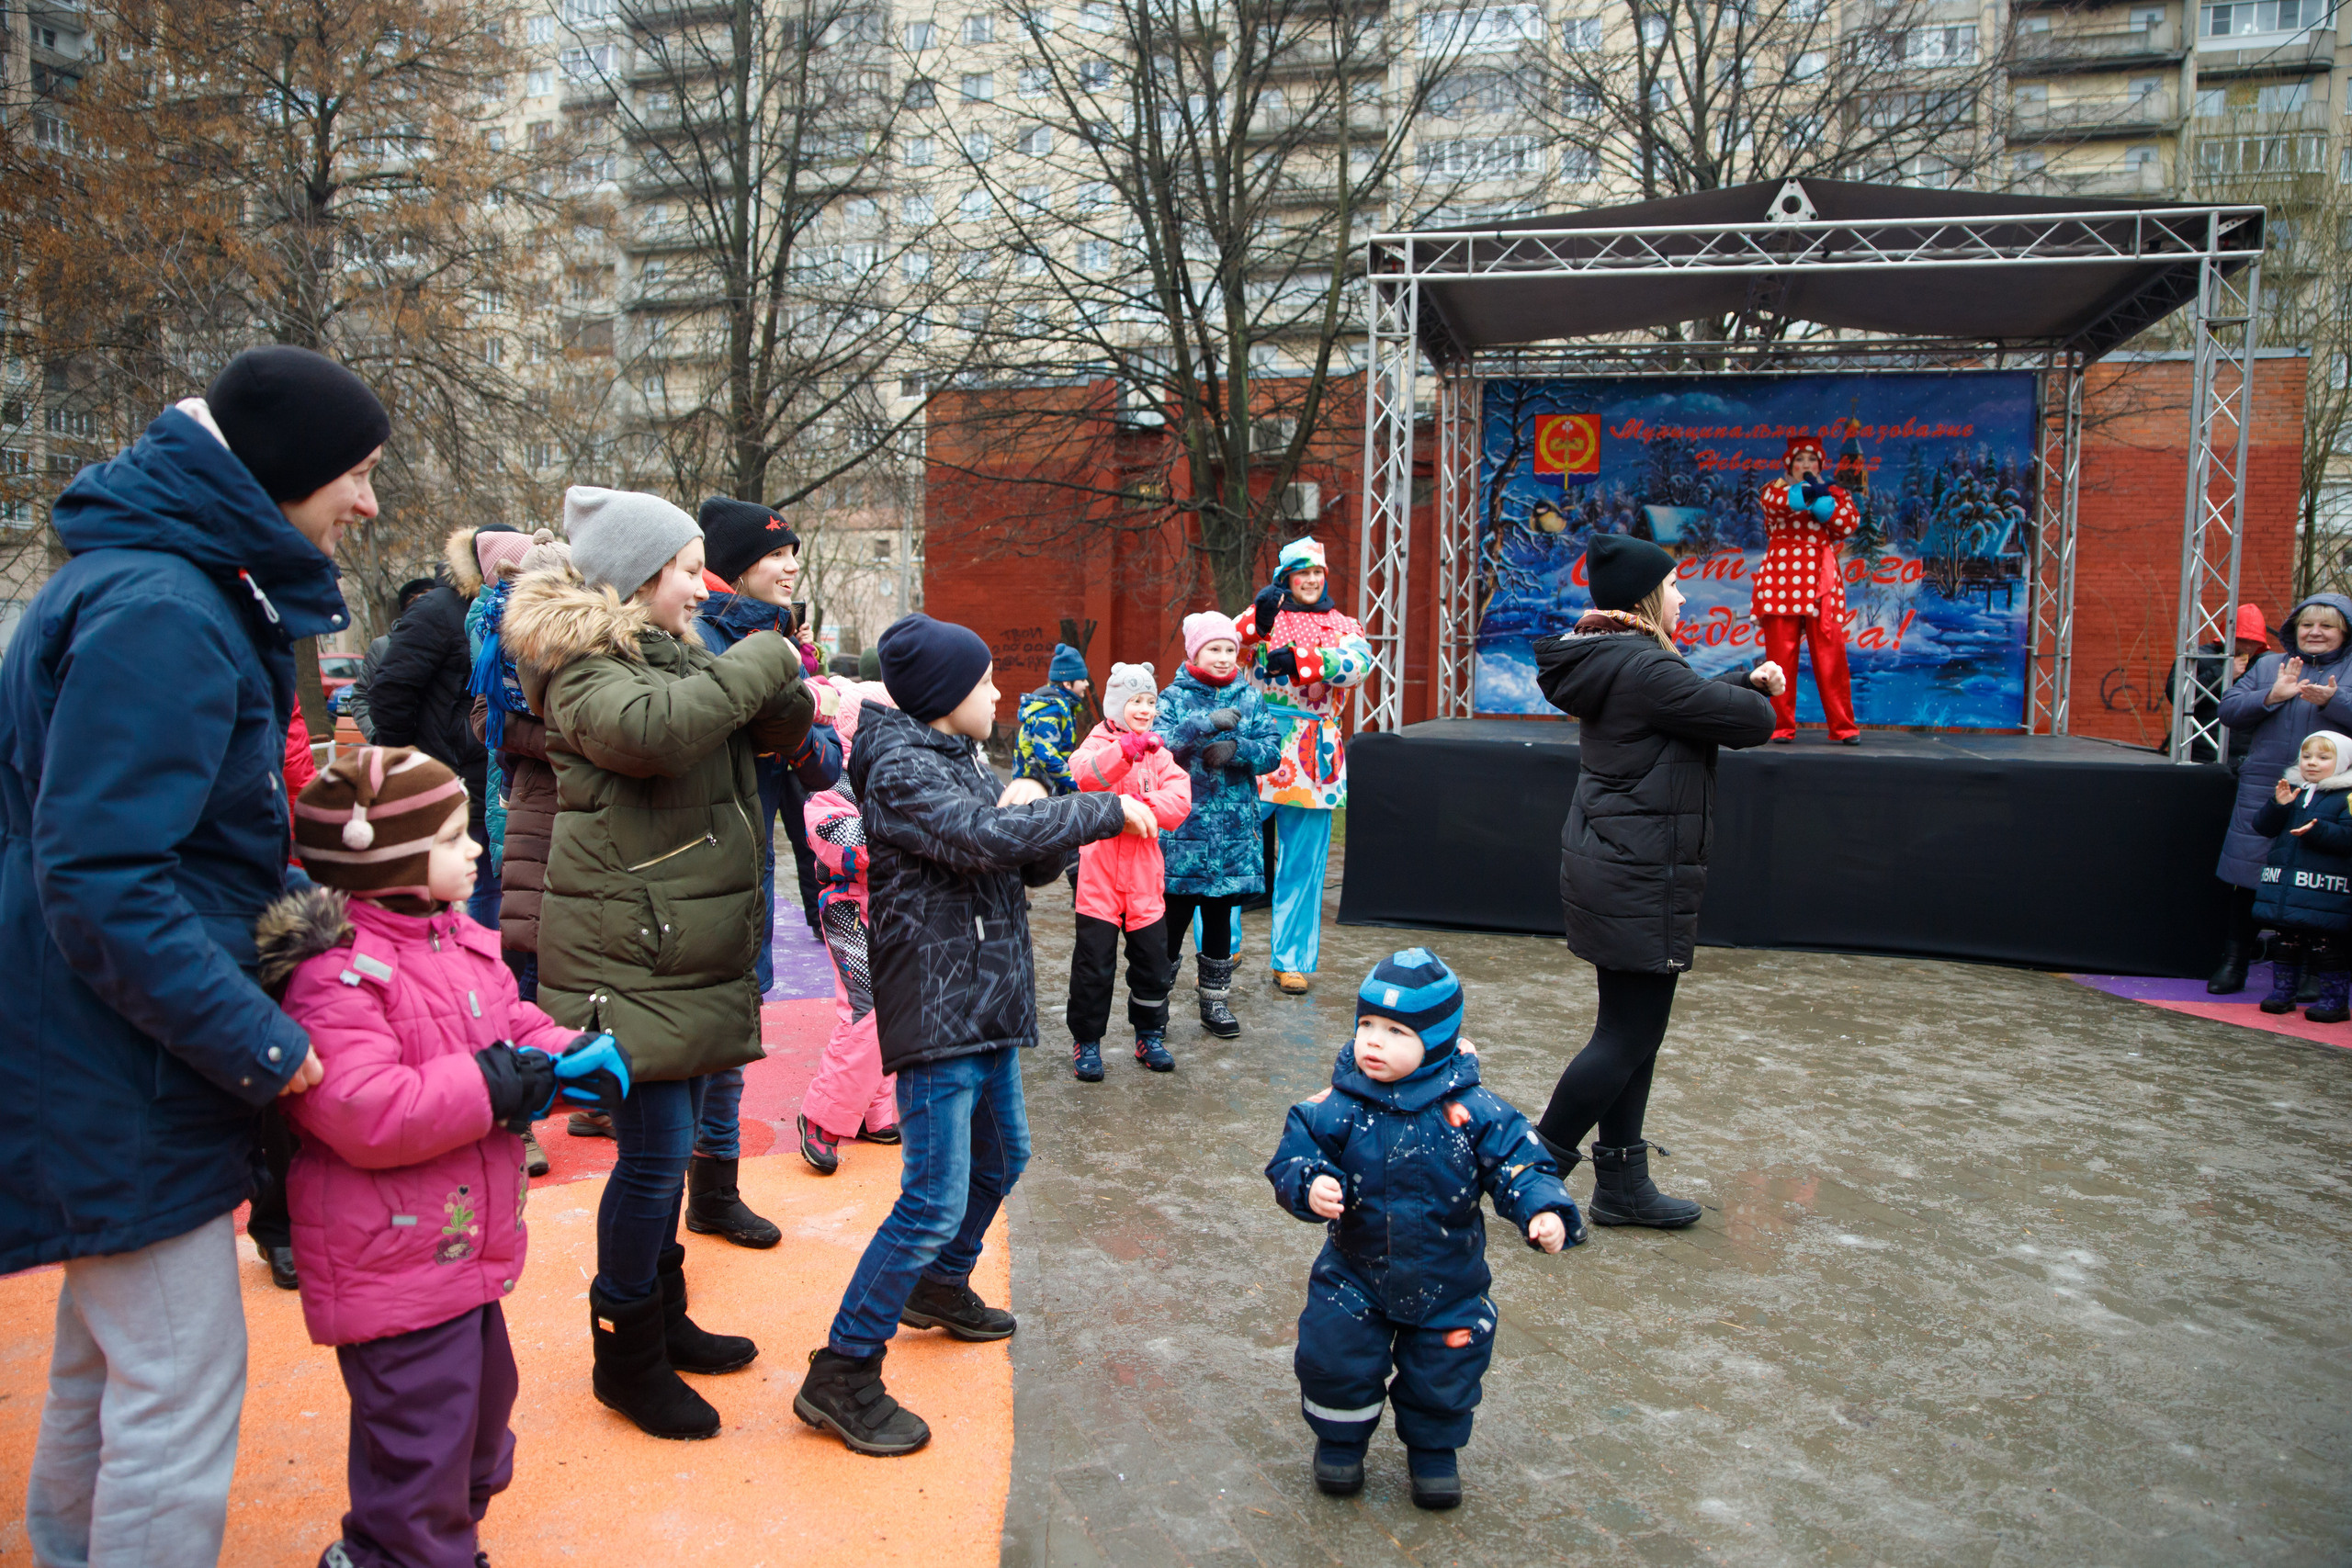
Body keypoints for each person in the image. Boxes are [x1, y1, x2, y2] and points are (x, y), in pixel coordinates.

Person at [3, 344, 379, 1566]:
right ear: (279, 473)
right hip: (122, 1057)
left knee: (106, 1353)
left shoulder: (165, 587)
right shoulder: (166, 610)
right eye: (356, 474)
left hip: (100, 1043)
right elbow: (106, 873)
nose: (367, 501)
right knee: (179, 1372)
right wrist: (264, 1038)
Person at [258, 745, 619, 1568]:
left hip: (456, 1247)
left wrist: (568, 1054)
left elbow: (507, 1027)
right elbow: (363, 1109)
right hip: (391, 1258)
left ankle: (403, 1549)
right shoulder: (337, 976)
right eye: (455, 837)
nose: (479, 850)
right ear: (392, 860)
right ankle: (411, 1551)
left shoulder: (454, 938)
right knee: (425, 1447)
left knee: (481, 1431)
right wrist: (496, 1085)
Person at [503, 484, 813, 1440]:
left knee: (664, 1151)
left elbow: (763, 726)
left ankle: (662, 1319)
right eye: (685, 570)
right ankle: (624, 1354)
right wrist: (765, 654)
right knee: (650, 1160)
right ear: (638, 578)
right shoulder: (583, 668)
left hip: (666, 938)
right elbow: (662, 732)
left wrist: (780, 688)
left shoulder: (668, 649)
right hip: (625, 947)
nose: (699, 586)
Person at [795, 615, 1139, 1456]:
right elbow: (982, 838)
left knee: (1003, 1157)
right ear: (948, 696)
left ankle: (942, 1284)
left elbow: (1016, 859)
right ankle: (843, 1367)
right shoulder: (903, 768)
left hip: (984, 999)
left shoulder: (957, 756)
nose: (998, 694)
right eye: (986, 681)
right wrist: (1091, 810)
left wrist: (1030, 802)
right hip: (941, 1006)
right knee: (931, 1196)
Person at [1264, 949, 1579, 1511]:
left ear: (1435, 1040)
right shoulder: (1340, 1104)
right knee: (1334, 1356)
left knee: (1447, 1365)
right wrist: (1308, 1182)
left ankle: (1435, 1452)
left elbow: (1520, 1161)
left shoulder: (1474, 1109)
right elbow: (1296, 1150)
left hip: (1448, 1280)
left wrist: (1541, 1208)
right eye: (1366, 1026)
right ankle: (1339, 1441)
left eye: (1395, 1031)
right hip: (1353, 1274)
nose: (1373, 1043)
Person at [1530, 533, 1782, 1228]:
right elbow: (1750, 724)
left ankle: (1622, 1184)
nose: (1684, 594)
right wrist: (1759, 688)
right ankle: (1528, 1169)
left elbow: (1690, 701)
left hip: (1619, 865)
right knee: (1627, 1035)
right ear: (1645, 598)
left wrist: (1734, 683)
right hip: (1638, 872)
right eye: (1674, 586)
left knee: (1633, 1031)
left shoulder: (1620, 659)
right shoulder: (1644, 666)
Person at [688, 497, 843, 1246]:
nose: (790, 567)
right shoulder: (712, 639)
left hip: (741, 850)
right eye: (778, 554)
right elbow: (812, 751)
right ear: (735, 564)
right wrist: (806, 708)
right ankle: (698, 1190)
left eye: (794, 555)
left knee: (736, 1015)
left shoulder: (763, 634)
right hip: (701, 857)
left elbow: (815, 760)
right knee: (705, 1028)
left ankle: (714, 1187)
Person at [371, 523, 521, 931]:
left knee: (497, 883)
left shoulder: (509, 607)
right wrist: (412, 758)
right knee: (476, 887)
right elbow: (389, 691)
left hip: (493, 773)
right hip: (454, 773)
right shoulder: (440, 609)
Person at [1243, 536, 1374, 995]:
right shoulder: (1263, 617)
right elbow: (1218, 646)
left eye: (1317, 572)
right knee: (1231, 848)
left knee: (1303, 863)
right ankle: (1220, 943)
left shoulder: (1344, 624)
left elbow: (1359, 665)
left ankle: (1291, 960)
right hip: (1259, 747)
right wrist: (1257, 620)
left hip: (1314, 756)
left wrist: (1303, 659)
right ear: (1287, 578)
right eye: (1303, 573)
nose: (1312, 580)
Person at [2211, 594, 2352, 994]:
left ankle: (2314, 971)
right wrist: (2272, 695)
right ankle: (2235, 962)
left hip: (2333, 793)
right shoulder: (2269, 665)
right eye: (2308, 624)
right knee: (2250, 875)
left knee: (2322, 879)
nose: (2315, 632)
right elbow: (2228, 711)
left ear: (2344, 632)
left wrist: (2335, 701)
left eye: (2326, 626)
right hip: (2267, 786)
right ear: (2295, 629)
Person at [1155, 611, 1283, 1039]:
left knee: (1218, 923)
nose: (1225, 657)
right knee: (1172, 924)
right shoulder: (1172, 697)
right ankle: (1155, 1003)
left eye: (1230, 649)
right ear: (1195, 651)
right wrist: (1204, 725)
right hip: (1182, 835)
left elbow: (1272, 752)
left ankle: (1215, 1003)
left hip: (1231, 838)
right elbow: (1159, 748)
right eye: (1215, 649)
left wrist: (1237, 748)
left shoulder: (1249, 697)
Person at [796, 681, 902, 1174]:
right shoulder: (830, 788)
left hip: (892, 909)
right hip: (847, 909)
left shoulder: (899, 780)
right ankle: (823, 1116)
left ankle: (877, 1109)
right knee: (867, 1011)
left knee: (893, 1007)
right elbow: (844, 847)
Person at [1066, 661, 1192, 1079]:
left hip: (1144, 883)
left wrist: (1141, 810)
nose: (1144, 708)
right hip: (1099, 881)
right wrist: (1125, 751)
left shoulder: (1160, 753)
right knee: (1093, 966)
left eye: (1150, 701)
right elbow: (1085, 776)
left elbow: (1179, 801)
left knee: (1153, 964)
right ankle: (1086, 1042)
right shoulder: (1096, 744)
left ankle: (1150, 1035)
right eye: (1136, 700)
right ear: (1117, 703)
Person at [1751, 434, 1860, 745]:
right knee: (1780, 656)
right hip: (1782, 580)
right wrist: (1808, 494)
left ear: (1820, 464)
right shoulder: (1775, 490)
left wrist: (1827, 504)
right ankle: (1780, 726)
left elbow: (1849, 524)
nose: (1806, 465)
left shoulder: (1836, 493)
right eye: (1799, 460)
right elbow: (1783, 505)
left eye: (1811, 460)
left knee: (1831, 655)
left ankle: (1843, 726)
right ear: (1790, 465)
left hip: (1821, 583)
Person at [2248, 730, 2352, 1022]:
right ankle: (2283, 994)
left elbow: (2349, 837)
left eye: (2323, 757)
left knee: (2326, 946)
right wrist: (2278, 806)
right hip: (2286, 888)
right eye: (2306, 756)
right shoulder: (2293, 789)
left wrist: (2319, 831)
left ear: (2343, 761)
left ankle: (2335, 1002)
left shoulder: (2348, 795)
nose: (2312, 763)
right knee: (2285, 942)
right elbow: (2263, 827)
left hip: (2325, 891)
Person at [2167, 603, 2271, 770]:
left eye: (2254, 643)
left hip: (2248, 755)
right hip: (2201, 753)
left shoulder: (2266, 664)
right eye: (2242, 640)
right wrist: (2223, 674)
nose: (2247, 648)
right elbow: (2177, 696)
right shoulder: (2198, 658)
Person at [344, 577, 436, 742]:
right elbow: (360, 696)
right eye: (421, 601)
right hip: (397, 747)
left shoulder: (448, 642)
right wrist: (376, 734)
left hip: (441, 749)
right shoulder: (382, 646)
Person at [1015, 641, 1091, 797]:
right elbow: (1046, 755)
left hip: (1049, 790)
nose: (1087, 684)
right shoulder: (1050, 710)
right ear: (1067, 683)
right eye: (1082, 679)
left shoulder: (1063, 706)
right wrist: (1079, 782)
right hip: (1037, 793)